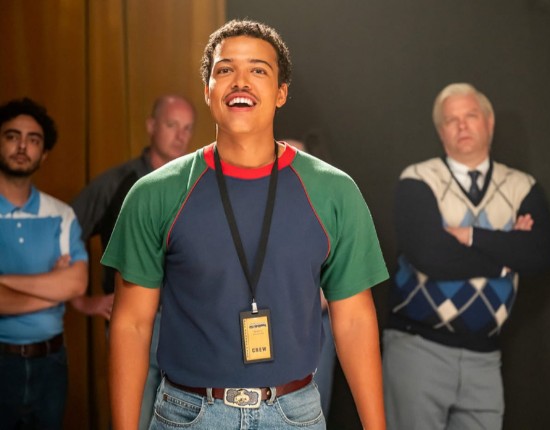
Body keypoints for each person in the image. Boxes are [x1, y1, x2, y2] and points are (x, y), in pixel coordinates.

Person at [103, 19, 389, 430]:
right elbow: (131, 325)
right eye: (225, 69)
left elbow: (355, 321)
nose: (241, 81)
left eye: (258, 69)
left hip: (295, 414)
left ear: (281, 92)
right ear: (208, 90)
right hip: (189, 415)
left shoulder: (334, 192)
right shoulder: (155, 194)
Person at [383, 83, 550, 430]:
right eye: (452, 120)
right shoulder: (418, 179)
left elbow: (540, 253)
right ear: (441, 131)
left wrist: (472, 236)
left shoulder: (521, 186)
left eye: (471, 116)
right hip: (418, 350)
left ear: (489, 123)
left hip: (485, 359)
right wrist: (507, 254)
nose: (462, 125)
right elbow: (430, 256)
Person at [69, 94, 196, 430]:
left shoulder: (199, 185)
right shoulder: (118, 183)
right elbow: (62, 233)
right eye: (172, 125)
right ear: (151, 126)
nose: (180, 135)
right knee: (134, 421)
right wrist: (81, 299)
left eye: (187, 128)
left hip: (188, 328)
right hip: (132, 322)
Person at [0, 97, 88, 429]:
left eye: (33, 140)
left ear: (44, 153)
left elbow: (76, 284)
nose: (22, 146)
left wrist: (5, 281)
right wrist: (52, 288)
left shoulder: (61, 214)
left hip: (51, 364)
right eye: (12, 136)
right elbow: (65, 287)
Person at [282, 136, 336, 420]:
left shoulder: (324, 210)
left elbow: (334, 283)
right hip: (256, 335)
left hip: (311, 328)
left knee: (309, 413)